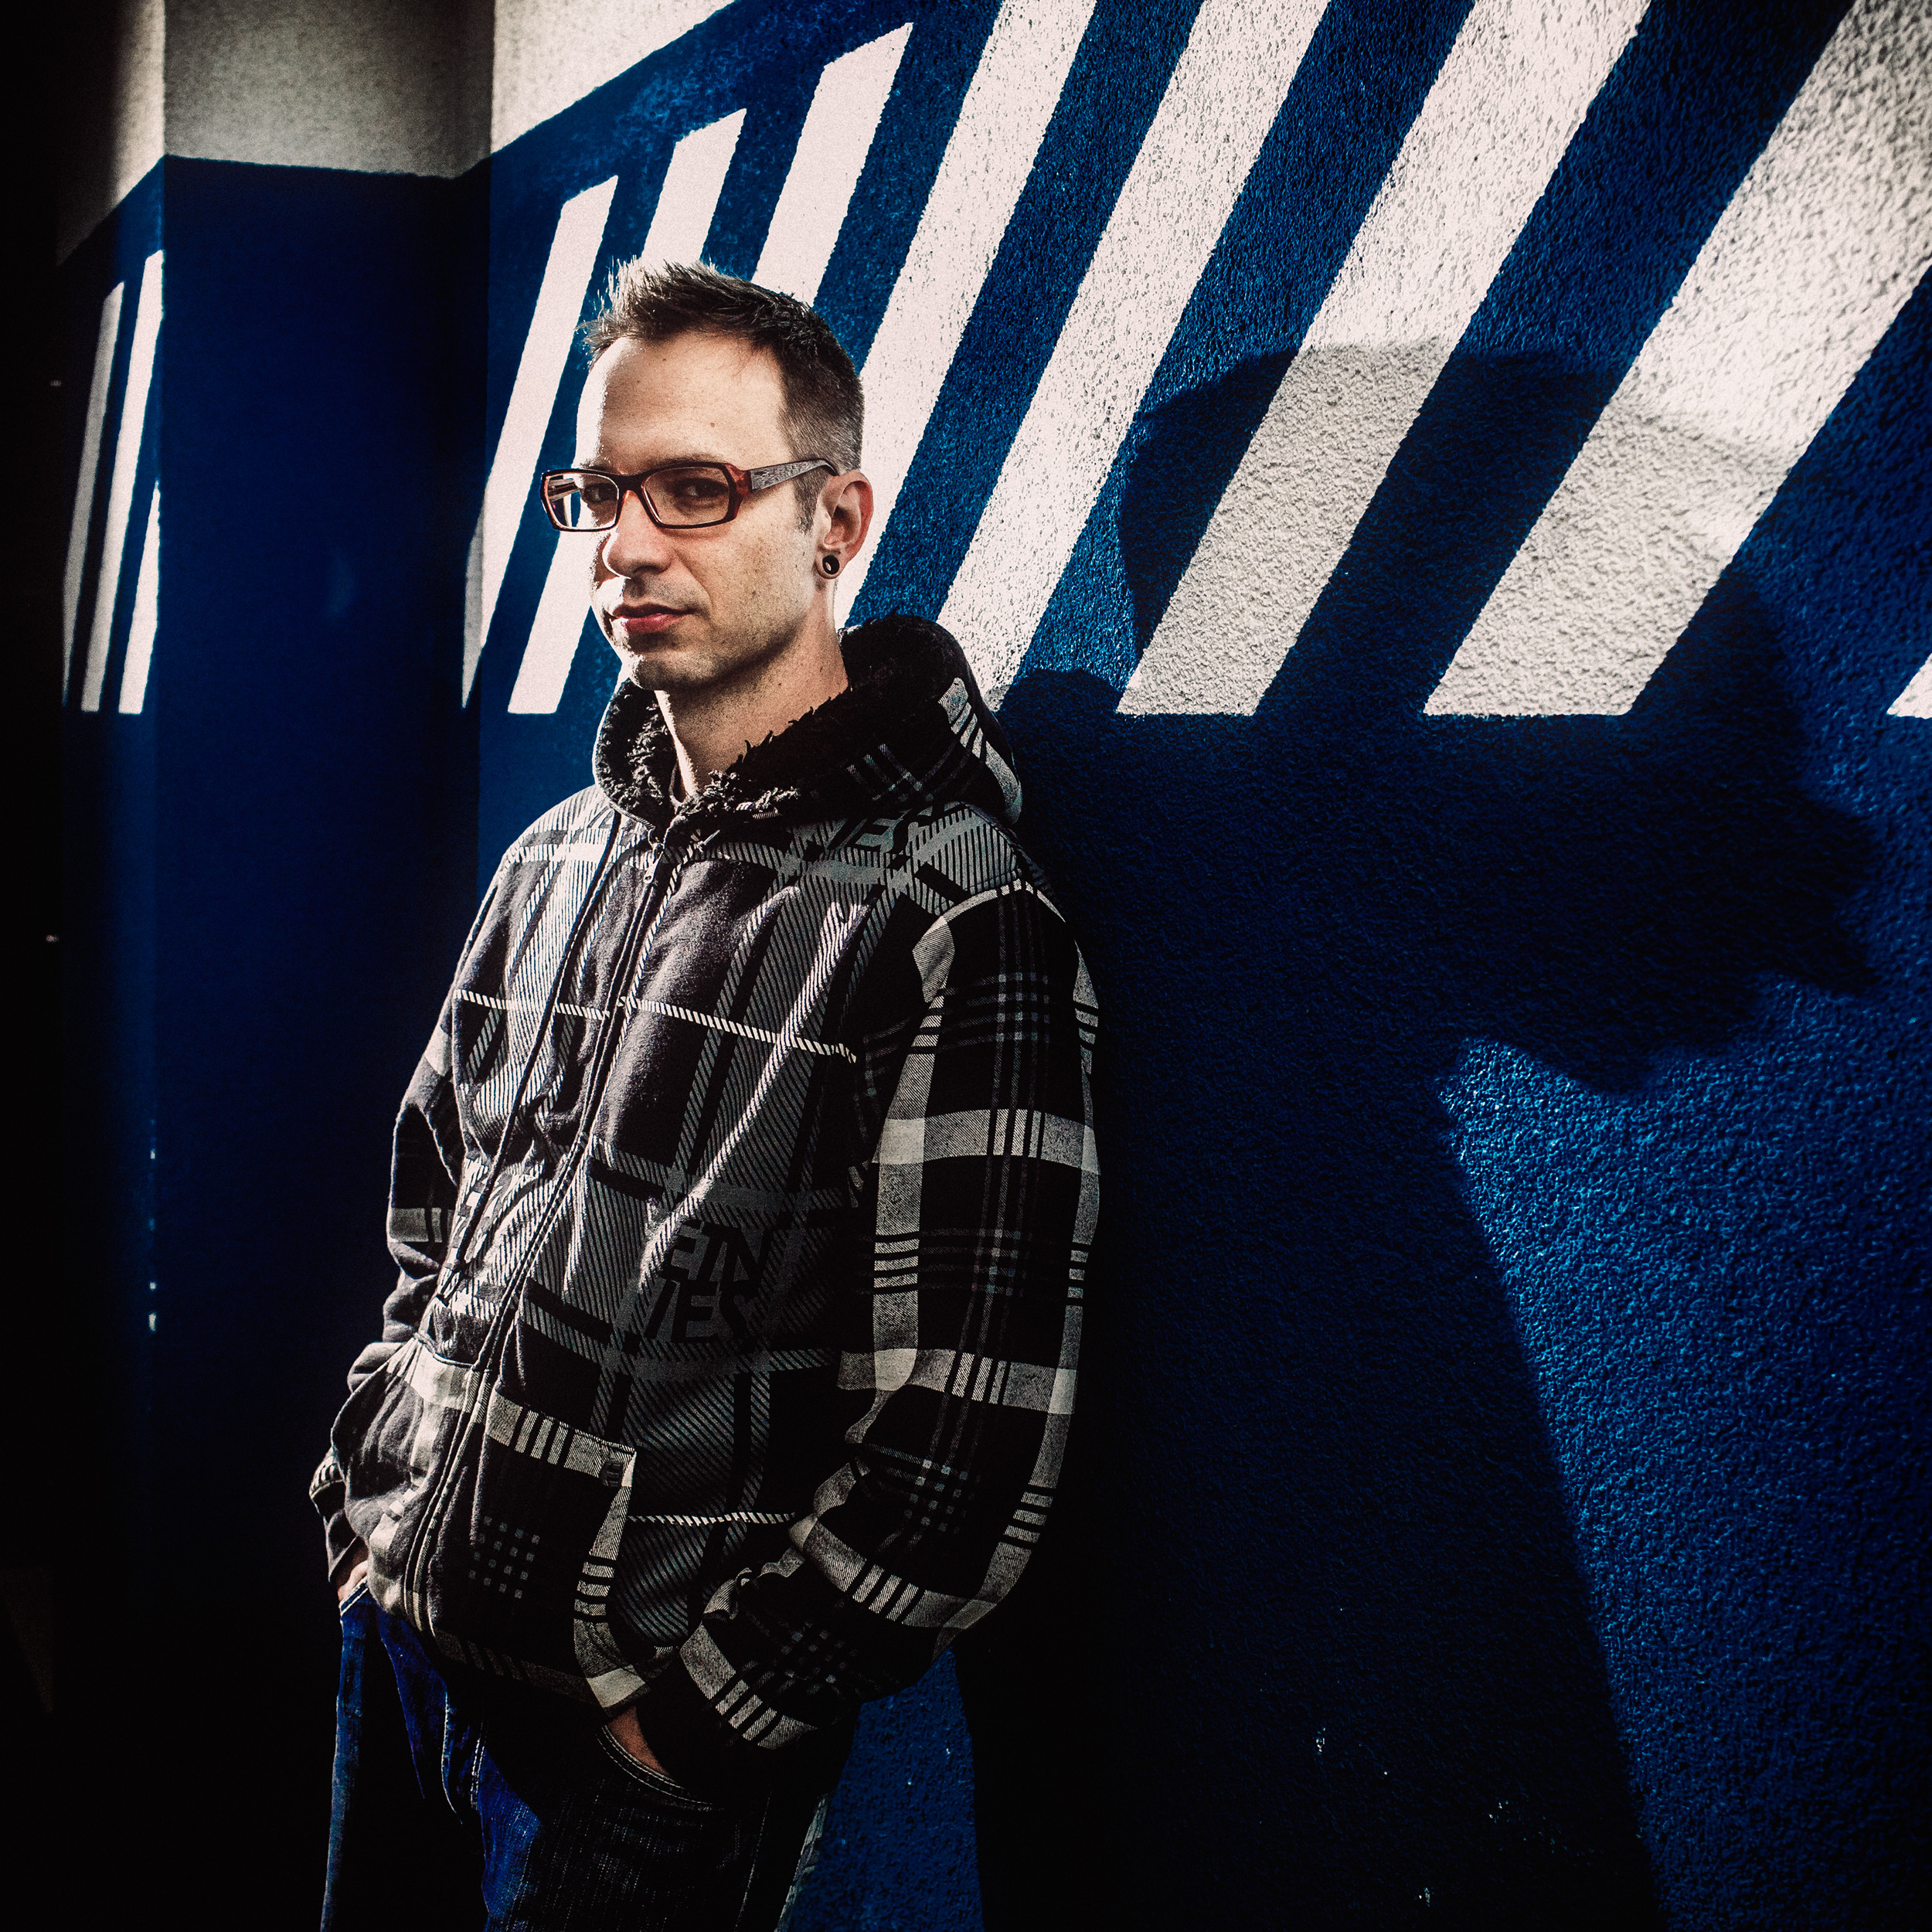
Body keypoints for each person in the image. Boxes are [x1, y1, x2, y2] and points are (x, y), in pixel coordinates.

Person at [311, 261, 1098, 1930]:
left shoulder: (951, 914)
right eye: (599, 494)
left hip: (624, 1766)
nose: (626, 545)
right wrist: (366, 1504)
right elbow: (432, 1211)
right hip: (400, 1644)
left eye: (693, 488)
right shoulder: (554, 857)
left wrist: (678, 1747)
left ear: (835, 522)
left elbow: (962, 1453)